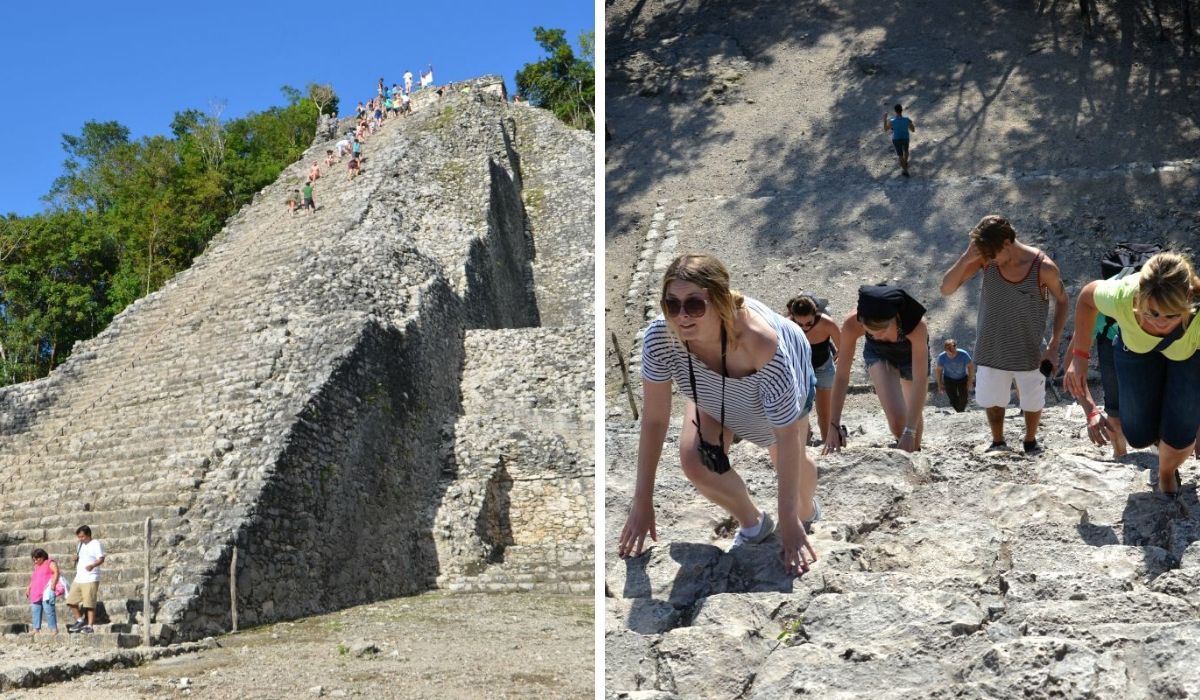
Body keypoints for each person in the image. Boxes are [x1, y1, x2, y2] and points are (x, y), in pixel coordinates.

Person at [618, 254, 819, 576]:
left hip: (778, 378)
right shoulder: (661, 337)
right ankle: (754, 523)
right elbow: (654, 419)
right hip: (710, 391)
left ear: (721, 301)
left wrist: (792, 522)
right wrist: (641, 501)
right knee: (694, 461)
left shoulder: (762, 343)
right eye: (672, 304)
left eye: (695, 305)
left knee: (783, 455)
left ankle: (808, 510)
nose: (682, 316)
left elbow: (786, 435)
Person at [1064, 251, 1200, 497]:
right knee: (1137, 434)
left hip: (1189, 354)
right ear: (1140, 297)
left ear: (1188, 299)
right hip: (1136, 350)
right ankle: (1161, 439)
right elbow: (1086, 298)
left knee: (1181, 431)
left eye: (1171, 315)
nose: (1160, 323)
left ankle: (1166, 472)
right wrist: (1079, 357)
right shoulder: (1124, 296)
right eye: (1152, 313)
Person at [940, 215, 1068, 453]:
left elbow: (1063, 300)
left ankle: (1030, 440)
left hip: (1029, 350)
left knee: (1032, 400)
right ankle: (997, 441)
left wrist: (1053, 345)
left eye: (992, 254)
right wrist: (967, 257)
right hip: (991, 347)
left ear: (1008, 243)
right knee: (992, 400)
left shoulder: (1043, 268)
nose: (990, 260)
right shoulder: (987, 261)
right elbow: (946, 289)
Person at [824, 284, 930, 453]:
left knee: (912, 426)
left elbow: (920, 381)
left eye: (882, 331)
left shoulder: (916, 326)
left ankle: (915, 448)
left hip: (910, 358)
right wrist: (833, 425)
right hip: (878, 354)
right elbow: (842, 376)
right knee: (897, 422)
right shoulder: (852, 323)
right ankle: (905, 446)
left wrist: (910, 431)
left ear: (894, 318)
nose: (877, 336)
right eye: (870, 332)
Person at [785, 293, 840, 445]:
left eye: (808, 323)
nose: (804, 328)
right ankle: (805, 442)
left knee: (825, 411)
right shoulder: (786, 325)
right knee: (800, 411)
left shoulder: (827, 323)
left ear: (815, 313)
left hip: (823, 368)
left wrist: (839, 359)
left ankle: (827, 442)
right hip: (799, 371)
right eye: (800, 324)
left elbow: (843, 346)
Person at [66, 525, 103, 634]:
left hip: (91, 577)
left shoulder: (96, 544)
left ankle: (90, 626)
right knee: (71, 600)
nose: (80, 539)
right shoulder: (80, 545)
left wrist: (92, 565)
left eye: (82, 536)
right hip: (79, 577)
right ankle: (80, 620)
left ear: (88, 535)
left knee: (89, 603)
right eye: (79, 537)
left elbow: (101, 559)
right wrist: (76, 559)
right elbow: (82, 558)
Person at [28, 548, 62, 637]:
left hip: (46, 591)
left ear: (42, 557)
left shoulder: (49, 562)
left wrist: (53, 585)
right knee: (35, 611)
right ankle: (36, 629)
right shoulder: (36, 566)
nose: (35, 561)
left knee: (49, 610)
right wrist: (28, 588)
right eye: (34, 560)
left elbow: (56, 572)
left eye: (37, 559)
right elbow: (33, 578)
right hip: (36, 591)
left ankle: (54, 629)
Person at [936, 339, 975, 412]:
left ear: (956, 348)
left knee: (964, 398)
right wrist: (940, 384)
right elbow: (939, 371)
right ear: (945, 350)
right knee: (952, 398)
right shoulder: (942, 357)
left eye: (953, 352)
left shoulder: (963, 354)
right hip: (948, 379)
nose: (952, 355)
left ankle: (961, 411)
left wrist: (970, 381)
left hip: (962, 378)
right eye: (949, 353)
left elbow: (971, 367)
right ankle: (959, 412)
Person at [884, 104, 915, 177]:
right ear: (902, 110)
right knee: (906, 151)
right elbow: (913, 130)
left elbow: (885, 129)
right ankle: (905, 162)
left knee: (900, 155)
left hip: (896, 139)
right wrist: (909, 124)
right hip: (905, 138)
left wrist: (885, 119)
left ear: (895, 111)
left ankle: (905, 170)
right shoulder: (907, 119)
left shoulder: (892, 121)